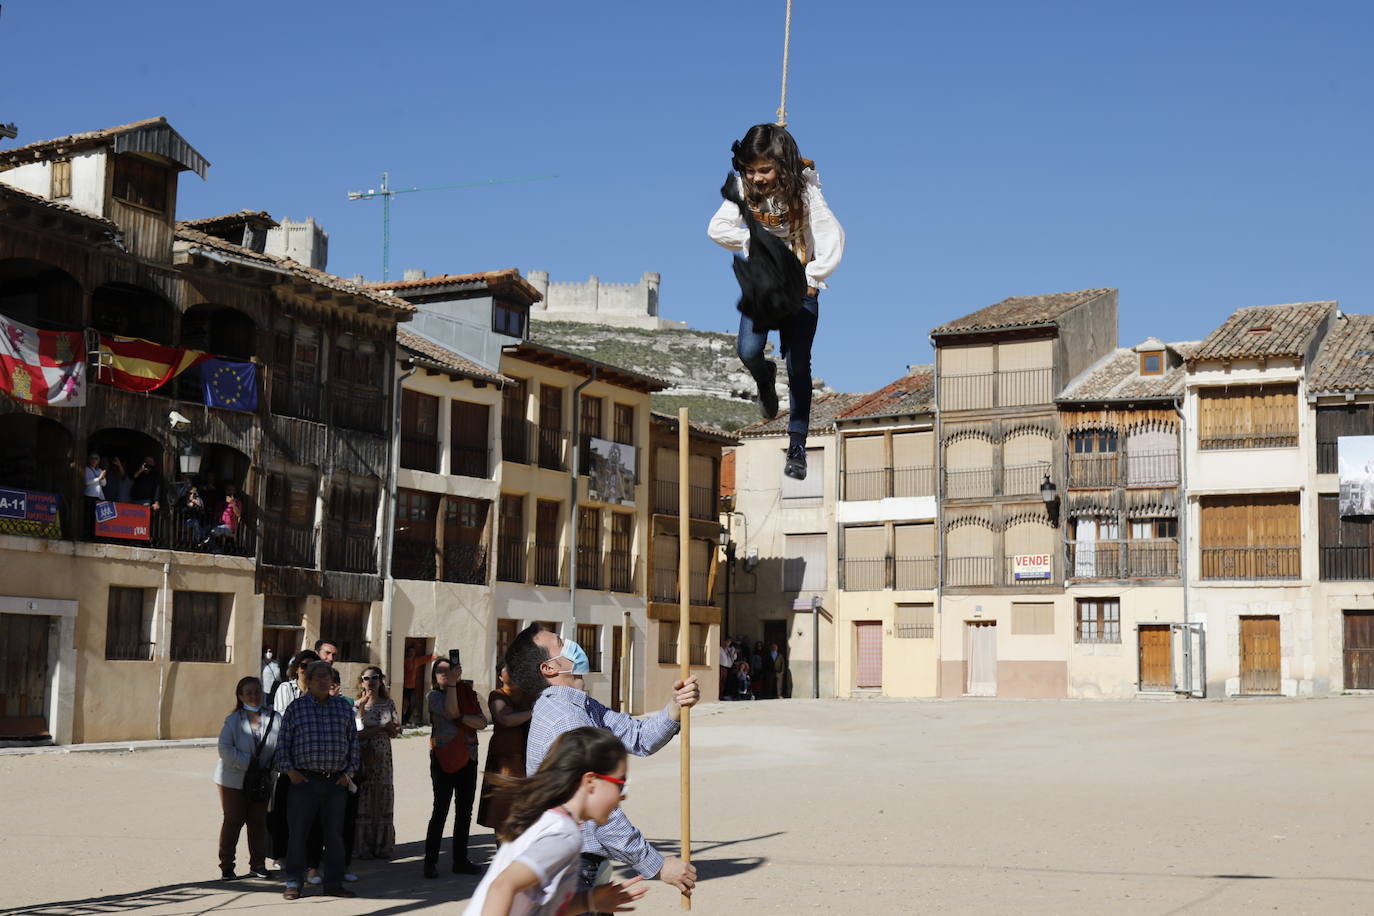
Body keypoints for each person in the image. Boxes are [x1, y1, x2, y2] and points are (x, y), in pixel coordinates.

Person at [509, 624, 699, 901]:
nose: (571, 643)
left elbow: (637, 736)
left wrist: (675, 706)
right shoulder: (566, 720)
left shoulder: (579, 706)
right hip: (572, 868)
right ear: (549, 668)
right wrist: (657, 865)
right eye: (560, 642)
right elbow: (598, 808)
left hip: (583, 866)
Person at [708, 123, 845, 481]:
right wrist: (753, 241)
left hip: (800, 286)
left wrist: (814, 276)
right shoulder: (744, 188)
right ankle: (763, 376)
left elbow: (831, 235)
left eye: (765, 170)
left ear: (782, 166)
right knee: (748, 350)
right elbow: (717, 228)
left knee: (798, 365)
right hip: (765, 285)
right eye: (751, 170)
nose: (757, 178)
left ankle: (797, 445)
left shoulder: (806, 190)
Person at [465, 727, 649, 916]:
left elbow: (542, 907)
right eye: (620, 784)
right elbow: (502, 886)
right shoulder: (563, 835)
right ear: (590, 782)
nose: (623, 796)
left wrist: (590, 901)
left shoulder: (550, 819)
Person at [276, 660, 359, 900]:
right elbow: (283, 745)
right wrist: (291, 772)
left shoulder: (343, 708)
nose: (323, 680)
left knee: (334, 835)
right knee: (298, 834)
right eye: (318, 677)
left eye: (327, 676)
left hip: (336, 783)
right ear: (309, 681)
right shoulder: (296, 708)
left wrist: (348, 774)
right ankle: (294, 882)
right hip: (304, 782)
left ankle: (333, 883)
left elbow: (353, 744)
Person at [425, 655, 488, 878]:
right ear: (434, 676)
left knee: (464, 812)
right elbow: (451, 712)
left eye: (448, 670)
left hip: (469, 757)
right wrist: (453, 685)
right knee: (440, 810)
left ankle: (460, 860)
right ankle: (430, 862)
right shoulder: (433, 696)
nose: (445, 674)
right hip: (444, 758)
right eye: (440, 671)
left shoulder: (467, 694)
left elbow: (481, 722)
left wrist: (462, 716)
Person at [215, 676, 280, 881]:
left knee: (257, 822)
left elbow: (281, 746)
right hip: (234, 779)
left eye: (257, 691)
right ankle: (227, 866)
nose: (254, 696)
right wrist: (250, 762)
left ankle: (258, 864)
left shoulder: (275, 718)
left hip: (262, 779)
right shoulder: (233, 720)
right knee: (233, 821)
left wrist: (272, 765)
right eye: (249, 693)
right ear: (241, 696)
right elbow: (224, 749)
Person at [267, 650, 320, 867]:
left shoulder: (321, 693)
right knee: (283, 809)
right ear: (297, 668)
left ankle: (308, 855)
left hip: (311, 759)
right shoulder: (286, 689)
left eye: (312, 667)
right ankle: (280, 854)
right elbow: (283, 719)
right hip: (288, 758)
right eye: (304, 666)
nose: (307, 670)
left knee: (309, 811)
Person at [477, 662, 534, 833]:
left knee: (524, 809)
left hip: (525, 757)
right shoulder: (497, 695)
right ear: (500, 677)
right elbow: (506, 719)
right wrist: (532, 712)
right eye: (508, 671)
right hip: (504, 757)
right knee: (501, 807)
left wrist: (522, 714)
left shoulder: (529, 695)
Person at [354, 666, 399, 859]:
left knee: (382, 796)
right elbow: (357, 733)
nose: (371, 681)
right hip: (364, 757)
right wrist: (380, 727)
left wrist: (390, 729)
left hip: (383, 758)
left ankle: (381, 845)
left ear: (381, 681)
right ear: (361, 682)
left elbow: (395, 732)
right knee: (364, 797)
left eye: (375, 678)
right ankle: (363, 846)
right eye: (367, 678)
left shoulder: (388, 703)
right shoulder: (357, 704)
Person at [403, 644, 437, 725]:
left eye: (413, 652)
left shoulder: (416, 661)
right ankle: (403, 720)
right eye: (410, 652)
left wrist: (437, 656)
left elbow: (426, 658)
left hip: (412, 687)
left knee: (412, 704)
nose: (412, 653)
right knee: (404, 704)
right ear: (407, 653)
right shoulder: (404, 661)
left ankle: (405, 720)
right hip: (403, 687)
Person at [205, 482, 242, 552]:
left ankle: (216, 548)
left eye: (231, 490)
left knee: (213, 531)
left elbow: (238, 514)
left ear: (234, 491)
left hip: (229, 527)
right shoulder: (221, 502)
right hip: (218, 525)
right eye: (228, 490)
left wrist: (233, 504)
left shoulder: (237, 502)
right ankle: (214, 547)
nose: (229, 491)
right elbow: (216, 514)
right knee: (205, 530)